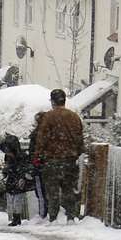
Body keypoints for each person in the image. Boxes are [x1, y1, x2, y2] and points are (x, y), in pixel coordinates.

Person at [32, 87, 85, 222]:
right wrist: (76, 153)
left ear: (53, 102)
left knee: (52, 190)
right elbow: (79, 138)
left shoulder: (48, 117)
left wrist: (38, 156)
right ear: (64, 101)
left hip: (52, 160)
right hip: (69, 160)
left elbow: (42, 139)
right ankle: (70, 217)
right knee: (69, 189)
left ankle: (53, 218)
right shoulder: (74, 117)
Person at [0, 134, 32, 227]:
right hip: (11, 178)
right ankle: (15, 217)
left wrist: (23, 178)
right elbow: (7, 166)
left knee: (17, 199)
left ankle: (17, 218)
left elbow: (25, 168)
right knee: (11, 199)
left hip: (19, 178)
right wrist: (5, 172)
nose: (7, 153)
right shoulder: (8, 156)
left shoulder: (22, 156)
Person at [28, 111, 49, 220]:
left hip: (39, 166)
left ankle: (43, 215)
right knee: (48, 191)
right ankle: (48, 213)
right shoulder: (52, 133)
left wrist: (34, 163)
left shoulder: (37, 135)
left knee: (41, 192)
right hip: (50, 166)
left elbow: (33, 152)